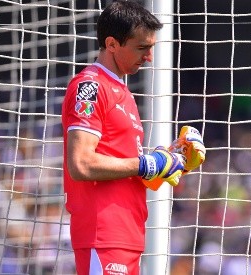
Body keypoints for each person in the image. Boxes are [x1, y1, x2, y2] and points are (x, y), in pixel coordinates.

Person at [61, 1, 204, 274]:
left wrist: (172, 159)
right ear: (112, 44)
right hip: (103, 234)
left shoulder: (123, 92)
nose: (149, 57)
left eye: (150, 47)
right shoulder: (89, 87)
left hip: (127, 235)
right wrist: (146, 163)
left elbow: (131, 170)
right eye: (142, 47)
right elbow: (80, 164)